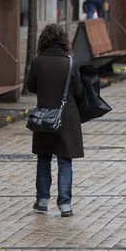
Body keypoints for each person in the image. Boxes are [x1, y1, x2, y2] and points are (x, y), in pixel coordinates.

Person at [26, 24, 84, 217]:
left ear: (43, 41)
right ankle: (65, 205)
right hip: (66, 118)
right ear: (64, 41)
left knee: (44, 159)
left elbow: (31, 87)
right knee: (65, 162)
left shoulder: (37, 62)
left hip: (44, 118)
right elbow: (78, 92)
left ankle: (42, 201)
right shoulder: (71, 63)